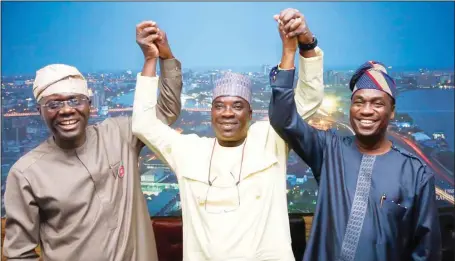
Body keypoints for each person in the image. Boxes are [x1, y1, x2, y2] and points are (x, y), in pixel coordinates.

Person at [131, 8, 324, 261]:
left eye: (237, 106)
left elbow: (308, 99)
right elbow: (144, 123)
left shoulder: (270, 138)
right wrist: (152, 59)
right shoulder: (189, 150)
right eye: (219, 106)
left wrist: (305, 45)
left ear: (251, 113)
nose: (227, 113)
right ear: (211, 112)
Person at [3, 21, 183, 261]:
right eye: (54, 104)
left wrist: (160, 57)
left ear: (90, 104)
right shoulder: (26, 173)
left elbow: (165, 111)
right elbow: (19, 254)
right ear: (40, 111)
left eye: (75, 100)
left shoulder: (119, 135)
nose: (66, 110)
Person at [269, 59, 442, 261]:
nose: (366, 110)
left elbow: (426, 251)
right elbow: (284, 119)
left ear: (392, 111)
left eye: (377, 103)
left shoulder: (415, 173)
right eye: (359, 102)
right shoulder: (329, 150)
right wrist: (290, 52)